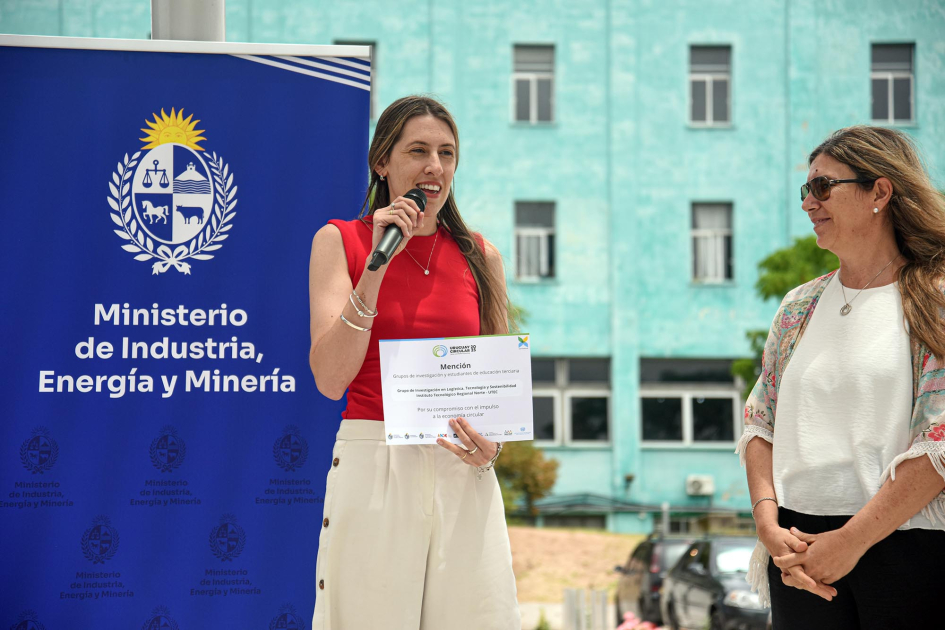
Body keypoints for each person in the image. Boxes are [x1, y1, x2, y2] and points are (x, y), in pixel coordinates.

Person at [307, 95, 521, 629]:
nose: (435, 167)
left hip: (460, 466)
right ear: (383, 161)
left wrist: (492, 444)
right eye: (419, 150)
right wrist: (378, 265)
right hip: (375, 460)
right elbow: (330, 379)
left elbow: (497, 388)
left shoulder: (481, 256)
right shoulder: (341, 241)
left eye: (447, 153)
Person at [737, 125, 945, 628]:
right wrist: (767, 521)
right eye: (806, 190)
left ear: (880, 191)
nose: (809, 203)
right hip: (798, 553)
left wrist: (850, 541)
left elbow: (940, 439)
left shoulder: (936, 298)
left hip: (907, 547)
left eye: (823, 186)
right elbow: (759, 420)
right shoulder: (798, 306)